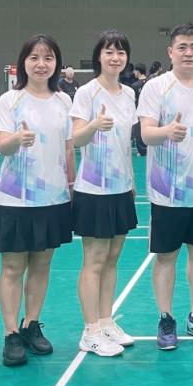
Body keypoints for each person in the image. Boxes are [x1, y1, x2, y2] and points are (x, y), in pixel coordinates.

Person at [137, 23, 193, 351]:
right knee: (166, 256)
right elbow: (145, 134)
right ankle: (166, 318)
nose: (188, 53)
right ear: (170, 52)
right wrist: (167, 132)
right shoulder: (155, 88)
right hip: (167, 191)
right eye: (182, 47)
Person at [0, 34, 75, 367]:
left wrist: (71, 185)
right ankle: (10, 333)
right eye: (34, 57)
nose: (41, 64)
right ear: (23, 62)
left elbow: (68, 148)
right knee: (12, 267)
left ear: (57, 64)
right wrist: (16, 139)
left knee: (42, 264)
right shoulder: (10, 100)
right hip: (16, 198)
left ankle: (31, 324)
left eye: (48, 58)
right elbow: (1, 146)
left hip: (53, 197)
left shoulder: (64, 101)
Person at [70, 30, 139, 358]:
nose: (115, 57)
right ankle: (90, 330)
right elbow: (75, 139)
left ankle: (106, 321)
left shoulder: (129, 94)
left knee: (113, 258)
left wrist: (131, 179)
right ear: (99, 56)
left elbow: (125, 143)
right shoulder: (86, 92)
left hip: (121, 187)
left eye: (121, 52)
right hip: (93, 189)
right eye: (109, 51)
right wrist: (93, 126)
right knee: (94, 260)